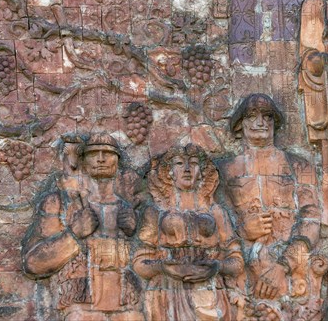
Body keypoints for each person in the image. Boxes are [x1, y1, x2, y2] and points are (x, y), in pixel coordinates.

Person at [21, 132, 143, 321]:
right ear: (84, 160)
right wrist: (74, 235)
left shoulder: (129, 209)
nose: (101, 159)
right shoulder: (59, 202)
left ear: (117, 161)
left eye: (107, 153)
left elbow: (152, 260)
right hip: (80, 303)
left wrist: (134, 234)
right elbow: (33, 264)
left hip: (126, 302)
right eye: (94, 153)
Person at [221, 94, 323, 317]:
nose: (261, 122)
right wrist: (241, 230)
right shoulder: (225, 170)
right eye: (252, 116)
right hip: (241, 276)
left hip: (291, 274)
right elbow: (213, 220)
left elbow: (311, 220)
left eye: (267, 116)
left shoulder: (299, 165)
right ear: (240, 124)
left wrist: (282, 267)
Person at [133, 144, 244, 321]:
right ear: (169, 172)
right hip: (167, 292)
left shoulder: (216, 212)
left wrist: (216, 267)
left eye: (193, 163)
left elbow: (237, 261)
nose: (186, 169)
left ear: (201, 172)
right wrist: (164, 267)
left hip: (210, 292)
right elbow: (139, 263)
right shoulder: (155, 212)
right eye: (179, 163)